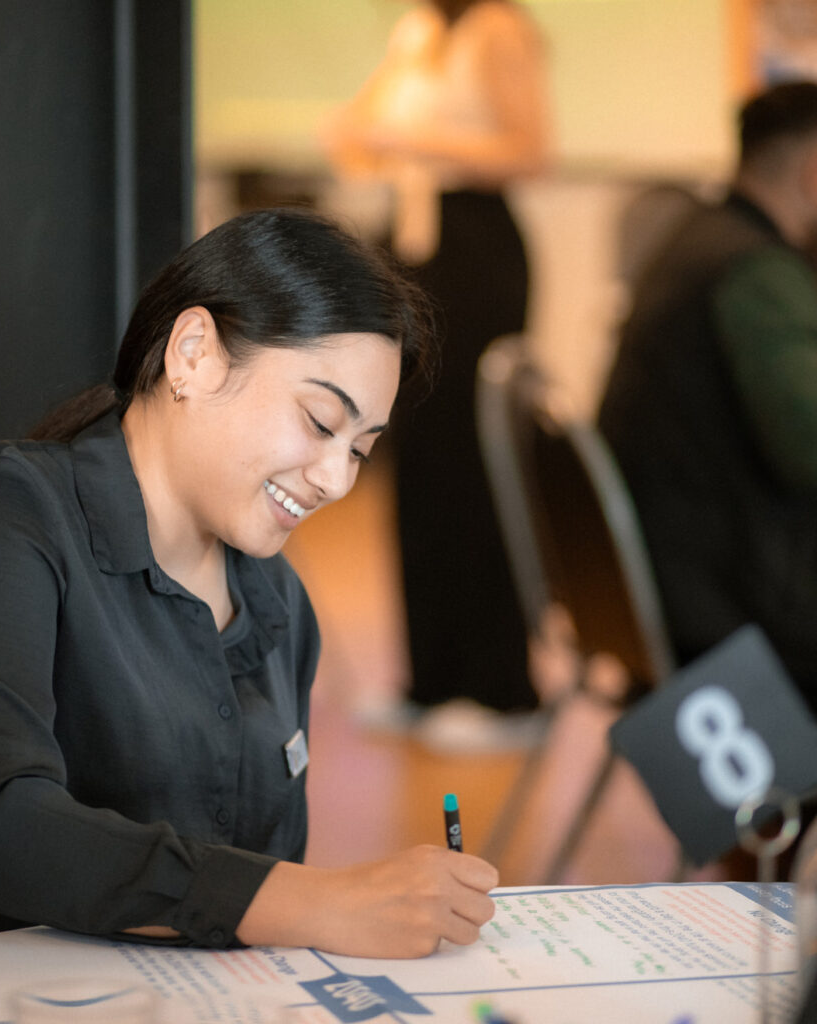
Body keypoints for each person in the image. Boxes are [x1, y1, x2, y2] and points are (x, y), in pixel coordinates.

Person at [0, 208, 500, 965]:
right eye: (320, 420)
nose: (335, 478)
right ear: (193, 354)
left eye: (362, 449)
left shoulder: (280, 607)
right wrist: (319, 901)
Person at [322, 0, 551, 717]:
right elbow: (353, 133)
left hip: (474, 252)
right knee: (415, 465)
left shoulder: (499, 30)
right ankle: (429, 681)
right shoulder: (417, 30)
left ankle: (498, 691)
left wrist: (414, 138)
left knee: (472, 469)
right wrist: (375, 136)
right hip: (413, 249)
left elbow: (531, 149)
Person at [598, 80, 817, 713]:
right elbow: (809, 452)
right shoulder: (757, 273)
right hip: (725, 605)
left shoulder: (695, 237)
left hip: (655, 585)